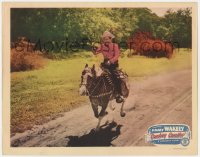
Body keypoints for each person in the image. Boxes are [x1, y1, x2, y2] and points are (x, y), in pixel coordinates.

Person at [92, 30, 124, 103]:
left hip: (113, 65)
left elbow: (117, 55)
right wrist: (94, 51)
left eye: (107, 39)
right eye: (104, 39)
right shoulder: (102, 46)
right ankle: (97, 92)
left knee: (115, 77)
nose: (106, 41)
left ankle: (119, 94)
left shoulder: (115, 46)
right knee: (96, 75)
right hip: (104, 65)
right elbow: (97, 52)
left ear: (110, 39)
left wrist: (111, 61)